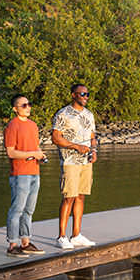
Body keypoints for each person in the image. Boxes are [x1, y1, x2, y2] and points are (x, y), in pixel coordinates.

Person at [52, 83, 97, 249]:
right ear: (73, 95)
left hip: (86, 161)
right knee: (68, 197)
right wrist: (76, 146)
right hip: (70, 161)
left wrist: (94, 150)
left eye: (87, 94)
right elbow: (56, 138)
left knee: (81, 196)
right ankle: (61, 236)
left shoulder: (89, 115)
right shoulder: (63, 114)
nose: (85, 97)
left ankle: (76, 235)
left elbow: (92, 136)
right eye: (82, 94)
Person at [4, 94, 47, 257]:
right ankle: (12, 244)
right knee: (17, 210)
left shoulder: (33, 125)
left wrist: (39, 155)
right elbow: (11, 152)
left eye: (29, 104)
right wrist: (32, 154)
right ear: (15, 109)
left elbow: (35, 147)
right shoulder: (12, 126)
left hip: (34, 172)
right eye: (23, 105)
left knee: (29, 210)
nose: (28, 107)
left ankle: (25, 243)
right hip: (20, 174)